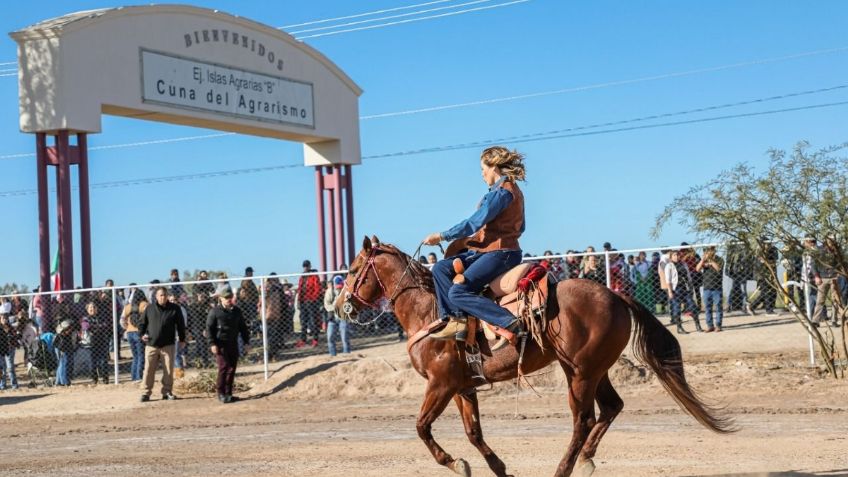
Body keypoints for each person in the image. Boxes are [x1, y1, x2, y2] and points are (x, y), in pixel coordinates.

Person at [424, 146, 527, 346]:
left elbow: (474, 222)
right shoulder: (506, 192)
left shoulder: (502, 193)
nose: (482, 174)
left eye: (483, 169)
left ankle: (509, 321)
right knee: (439, 268)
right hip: (491, 250)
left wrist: (442, 236)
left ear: (494, 166)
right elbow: (522, 226)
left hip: (501, 253)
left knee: (458, 292)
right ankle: (457, 320)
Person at [138, 287, 186, 402]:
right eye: (160, 295)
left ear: (167, 296)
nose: (163, 297)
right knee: (148, 369)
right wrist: (142, 334)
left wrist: (182, 339)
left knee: (168, 370)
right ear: (156, 296)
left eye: (164, 295)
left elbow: (180, 325)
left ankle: (167, 392)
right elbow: (142, 323)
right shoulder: (149, 309)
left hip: (167, 345)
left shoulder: (175, 309)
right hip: (151, 345)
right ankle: (145, 393)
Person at [206, 289, 250, 403]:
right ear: (220, 298)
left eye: (230, 297)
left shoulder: (237, 311)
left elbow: (243, 328)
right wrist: (212, 343)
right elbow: (209, 329)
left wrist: (246, 342)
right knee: (224, 367)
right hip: (220, 343)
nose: (229, 300)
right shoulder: (215, 312)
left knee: (232, 368)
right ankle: (221, 393)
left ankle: (228, 393)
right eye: (226, 298)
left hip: (233, 343)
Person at [665, 250, 701, 333]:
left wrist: (691, 287)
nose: (677, 256)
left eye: (677, 255)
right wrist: (670, 291)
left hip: (685, 289)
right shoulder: (669, 266)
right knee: (677, 309)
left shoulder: (684, 264)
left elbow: (688, 276)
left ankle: (698, 325)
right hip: (675, 289)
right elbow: (668, 280)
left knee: (693, 306)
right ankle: (679, 327)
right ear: (671, 257)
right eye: (674, 255)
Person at [120, 286, 148, 381]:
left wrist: (126, 327)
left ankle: (134, 377)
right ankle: (139, 377)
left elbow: (122, 320)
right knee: (141, 355)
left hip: (129, 333)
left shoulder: (128, 306)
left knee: (135, 356)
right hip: (139, 332)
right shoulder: (144, 304)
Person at [747, 239, 779, 316]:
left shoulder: (773, 250)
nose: (768, 246)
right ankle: (769, 310)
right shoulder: (759, 251)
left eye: (769, 244)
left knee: (770, 292)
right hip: (762, 275)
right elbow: (760, 264)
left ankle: (752, 306)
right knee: (766, 292)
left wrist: (768, 262)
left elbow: (774, 262)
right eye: (766, 244)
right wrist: (767, 262)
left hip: (771, 274)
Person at [696, 246, 724, 332]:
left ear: (713, 251)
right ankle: (710, 326)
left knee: (718, 307)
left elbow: (718, 268)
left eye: (708, 251)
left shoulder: (720, 259)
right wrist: (702, 260)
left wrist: (711, 262)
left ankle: (718, 325)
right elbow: (697, 269)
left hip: (717, 288)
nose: (706, 253)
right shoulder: (703, 260)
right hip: (706, 288)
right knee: (707, 308)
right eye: (705, 252)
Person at [296, 260, 322, 348]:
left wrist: (313, 298)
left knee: (313, 321)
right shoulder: (302, 277)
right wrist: (299, 300)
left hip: (311, 301)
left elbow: (317, 288)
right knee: (303, 322)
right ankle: (303, 340)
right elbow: (300, 289)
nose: (305, 267)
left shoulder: (314, 276)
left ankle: (315, 339)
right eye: (304, 266)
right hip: (303, 302)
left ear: (310, 266)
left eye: (307, 266)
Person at [83, 302, 111, 384]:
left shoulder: (102, 317)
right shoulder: (85, 319)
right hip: (91, 343)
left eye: (94, 307)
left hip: (102, 341)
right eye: (90, 308)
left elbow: (105, 325)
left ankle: (105, 378)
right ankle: (94, 379)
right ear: (87, 310)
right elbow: (85, 327)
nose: (92, 309)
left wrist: (94, 327)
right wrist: (98, 327)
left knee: (103, 361)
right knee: (93, 362)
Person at [324, 275, 351, 356]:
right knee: (330, 336)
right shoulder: (329, 291)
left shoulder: (347, 292)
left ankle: (347, 354)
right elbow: (327, 304)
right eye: (337, 287)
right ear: (334, 285)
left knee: (344, 337)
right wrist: (336, 307)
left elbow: (349, 305)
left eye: (341, 287)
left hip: (343, 316)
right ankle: (332, 354)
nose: (339, 288)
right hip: (332, 317)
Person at [0, 313, 19, 390]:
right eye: (3, 318)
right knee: (2, 368)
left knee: (10, 367)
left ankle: (14, 384)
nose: (4, 320)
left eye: (6, 318)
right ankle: (2, 385)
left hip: (9, 349)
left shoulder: (10, 328)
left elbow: (15, 338)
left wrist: (10, 334)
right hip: (1, 349)